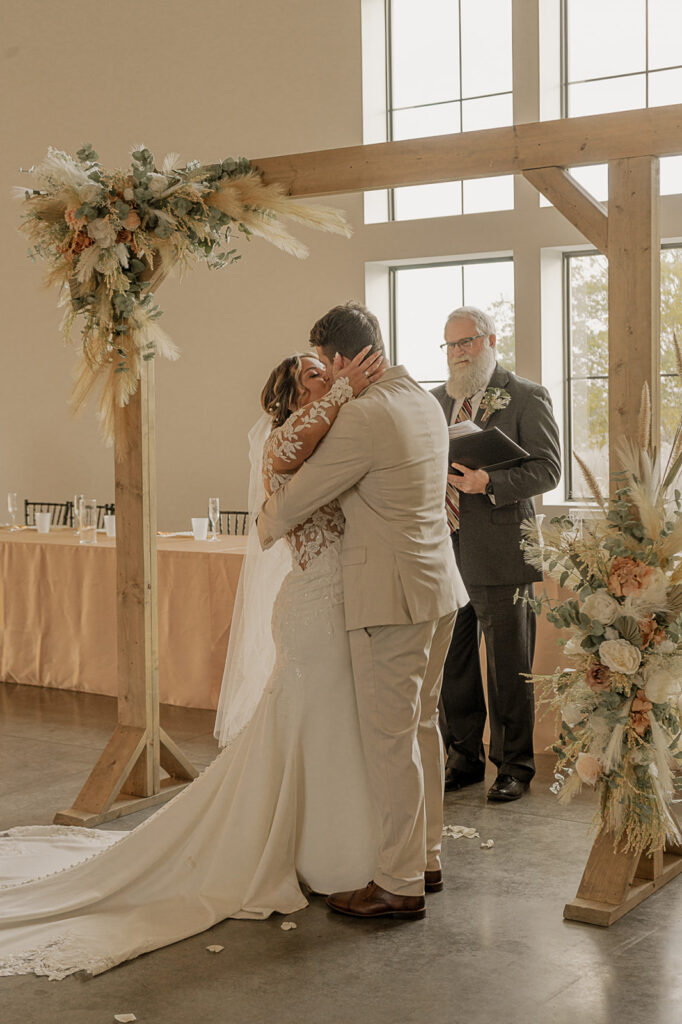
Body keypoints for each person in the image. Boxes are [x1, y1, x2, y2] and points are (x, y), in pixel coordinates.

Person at [0, 346, 386, 980]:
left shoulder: (339, 439)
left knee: (329, 725)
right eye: (313, 375)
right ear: (290, 398)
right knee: (311, 719)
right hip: (314, 607)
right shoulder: (284, 441)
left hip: (342, 602)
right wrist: (345, 388)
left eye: (329, 369)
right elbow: (290, 462)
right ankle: (317, 852)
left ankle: (332, 845)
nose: (330, 378)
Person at [258, 301, 467, 920]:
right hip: (439, 592)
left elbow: (300, 497)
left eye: (325, 364)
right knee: (423, 727)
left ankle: (398, 883)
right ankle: (426, 856)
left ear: (344, 360)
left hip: (391, 600)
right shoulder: (424, 401)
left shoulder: (365, 417)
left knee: (389, 742)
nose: (325, 377)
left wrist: (267, 517)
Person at [431, 306, 561, 802]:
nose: (457, 354)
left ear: (489, 341)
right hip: (444, 548)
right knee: (453, 661)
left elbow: (548, 469)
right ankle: (461, 758)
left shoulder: (526, 395)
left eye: (465, 343)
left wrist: (490, 482)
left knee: (508, 666)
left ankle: (514, 766)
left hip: (502, 548)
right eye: (450, 345)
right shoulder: (436, 401)